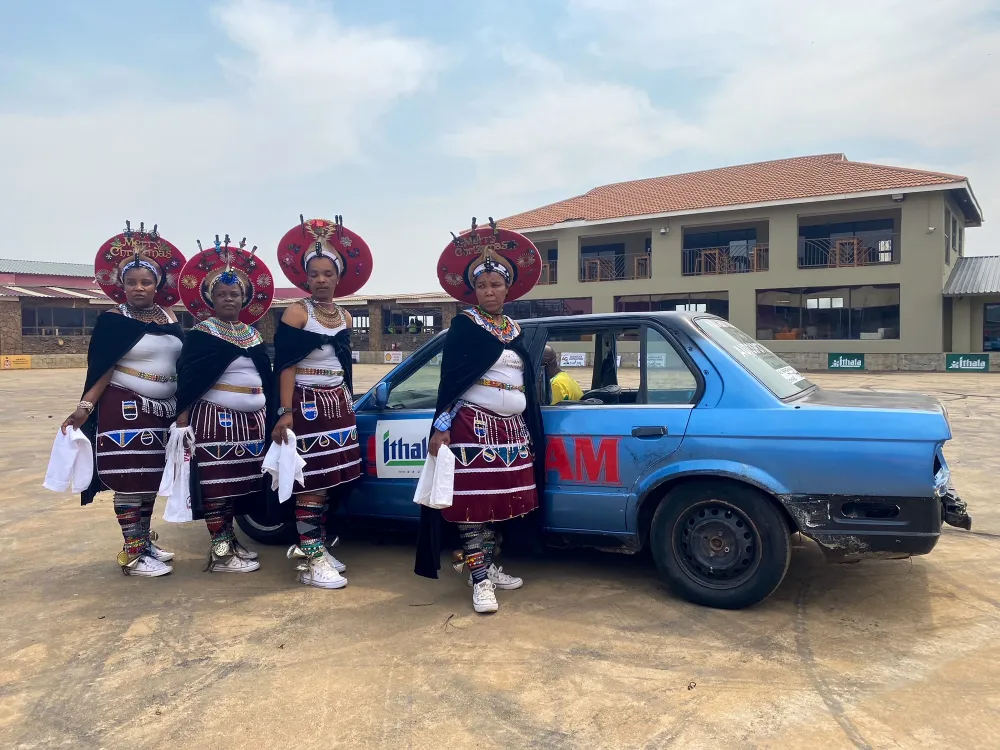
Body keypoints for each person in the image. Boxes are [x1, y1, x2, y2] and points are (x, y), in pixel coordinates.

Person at [416, 217, 544, 614]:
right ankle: (479, 579)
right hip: (472, 426)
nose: (489, 291)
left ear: (508, 288)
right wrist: (441, 427)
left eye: (496, 284)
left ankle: (487, 566)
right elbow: (451, 380)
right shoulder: (465, 326)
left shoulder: (514, 329)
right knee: (472, 505)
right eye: (483, 285)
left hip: (512, 430)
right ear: (474, 290)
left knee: (498, 503)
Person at [61, 222, 186, 577]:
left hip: (163, 410)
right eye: (131, 282)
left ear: (158, 284)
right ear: (122, 285)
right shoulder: (113, 321)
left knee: (150, 477)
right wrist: (84, 408)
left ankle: (143, 542)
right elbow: (102, 368)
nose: (138, 288)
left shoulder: (169, 316)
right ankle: (132, 552)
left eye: (146, 281)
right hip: (125, 408)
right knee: (129, 477)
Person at [270, 215, 373, 589]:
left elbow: (342, 362)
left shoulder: (345, 314)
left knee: (330, 478)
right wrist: (285, 411)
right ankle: (309, 557)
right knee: (311, 479)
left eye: (328, 273)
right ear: (306, 278)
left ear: (338, 277)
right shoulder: (297, 312)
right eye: (314, 274)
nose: (321, 280)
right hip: (306, 404)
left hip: (337, 404)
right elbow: (286, 365)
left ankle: (318, 544)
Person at [171, 236, 275, 573]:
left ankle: (229, 541)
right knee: (217, 485)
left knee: (239, 484)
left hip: (253, 422)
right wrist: (182, 422)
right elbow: (188, 379)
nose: (229, 298)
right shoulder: (202, 334)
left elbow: (266, 375)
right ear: (210, 299)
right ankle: (220, 552)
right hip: (215, 420)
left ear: (244, 298)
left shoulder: (253, 334)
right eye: (222, 294)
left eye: (234, 294)